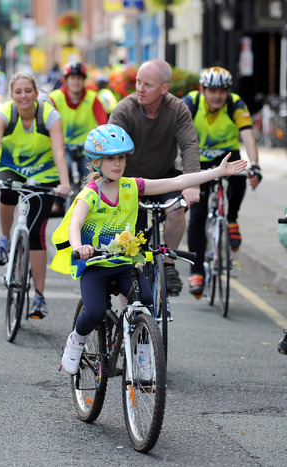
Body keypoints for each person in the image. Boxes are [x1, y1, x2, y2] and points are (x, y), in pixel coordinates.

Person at [53, 124, 247, 374]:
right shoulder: (89, 195)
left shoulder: (132, 187)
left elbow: (177, 181)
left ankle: (142, 356)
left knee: (145, 304)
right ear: (95, 162)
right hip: (95, 266)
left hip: (124, 265)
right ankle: (75, 341)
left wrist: (217, 172)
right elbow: (75, 224)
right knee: (94, 311)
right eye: (111, 158)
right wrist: (80, 247)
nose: (118, 163)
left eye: (122, 157)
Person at [0, 72, 71, 318]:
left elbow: (59, 153)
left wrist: (64, 184)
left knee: (36, 233)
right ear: (11, 95)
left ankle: (39, 297)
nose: (23, 96)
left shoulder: (50, 116)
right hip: (12, 167)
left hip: (45, 172)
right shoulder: (4, 115)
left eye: (28, 91)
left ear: (36, 93)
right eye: (18, 92)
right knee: (7, 192)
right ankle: (4, 238)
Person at [109, 58, 201, 296]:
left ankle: (169, 264)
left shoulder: (178, 109)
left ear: (164, 88)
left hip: (163, 178)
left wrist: (193, 182)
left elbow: (189, 146)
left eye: (147, 84)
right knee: (132, 249)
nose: (140, 88)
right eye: (138, 82)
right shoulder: (124, 110)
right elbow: (109, 149)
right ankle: (127, 314)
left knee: (177, 208)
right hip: (130, 183)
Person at [182, 67, 262, 298]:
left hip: (227, 157)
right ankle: (196, 271)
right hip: (199, 161)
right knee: (197, 215)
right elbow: (176, 132)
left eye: (222, 91)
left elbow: (248, 135)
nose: (218, 95)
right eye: (213, 90)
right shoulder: (190, 103)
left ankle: (233, 219)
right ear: (203, 89)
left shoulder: (235, 104)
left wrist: (255, 165)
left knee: (240, 175)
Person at [49, 62, 108, 216]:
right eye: (72, 78)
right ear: (66, 80)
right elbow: (45, 120)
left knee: (91, 175)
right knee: (64, 166)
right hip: (63, 146)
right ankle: (59, 202)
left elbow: (103, 122)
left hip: (87, 147)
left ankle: (92, 206)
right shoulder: (55, 98)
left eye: (79, 78)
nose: (76, 82)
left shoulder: (92, 98)